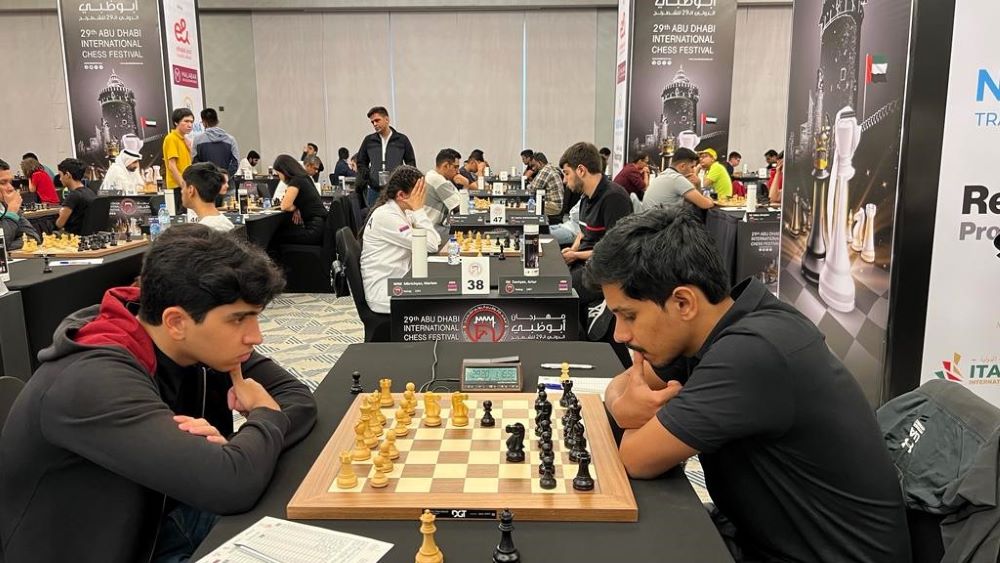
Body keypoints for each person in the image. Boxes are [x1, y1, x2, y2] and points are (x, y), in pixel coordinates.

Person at [586, 206, 910, 562]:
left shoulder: (752, 352)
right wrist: (623, 406)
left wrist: (628, 412)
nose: (620, 334)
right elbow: (621, 386)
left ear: (683, 302)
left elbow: (636, 458)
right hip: (762, 538)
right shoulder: (715, 325)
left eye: (628, 316)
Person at [0, 224, 318, 563]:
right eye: (239, 319)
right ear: (176, 322)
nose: (255, 337)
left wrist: (238, 450)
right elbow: (232, 485)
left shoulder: (197, 341)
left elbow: (298, 399)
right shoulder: (91, 380)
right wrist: (263, 419)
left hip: (168, 518)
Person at [559, 142, 632, 330]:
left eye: (566, 173)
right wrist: (573, 249)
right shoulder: (585, 197)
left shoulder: (614, 198)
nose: (565, 181)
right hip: (585, 264)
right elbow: (583, 232)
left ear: (581, 170)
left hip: (603, 271)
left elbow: (616, 252)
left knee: (558, 294)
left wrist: (576, 255)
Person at [360, 166, 441, 315]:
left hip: (398, 281)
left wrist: (417, 212)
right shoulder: (387, 216)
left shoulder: (403, 212)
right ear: (401, 195)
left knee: (440, 291)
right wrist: (419, 210)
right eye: (419, 192)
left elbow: (435, 240)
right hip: (385, 292)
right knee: (440, 303)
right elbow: (431, 245)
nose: (423, 197)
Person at [356, 106, 416, 207]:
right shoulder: (369, 140)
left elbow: (411, 163)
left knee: (396, 215)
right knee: (374, 215)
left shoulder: (402, 140)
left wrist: (404, 181)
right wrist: (369, 178)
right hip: (374, 190)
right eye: (372, 122)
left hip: (396, 190)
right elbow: (361, 162)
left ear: (387, 119)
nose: (375, 124)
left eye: (377, 120)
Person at [272, 154, 327, 245]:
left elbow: (285, 206)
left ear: (284, 171)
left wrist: (296, 208)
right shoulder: (305, 177)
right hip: (321, 227)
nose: (279, 178)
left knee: (276, 237)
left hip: (313, 231)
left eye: (278, 174)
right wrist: (297, 207)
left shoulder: (296, 180)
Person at [644, 148, 714, 210]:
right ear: (682, 166)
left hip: (649, 217)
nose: (693, 171)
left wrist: (697, 184)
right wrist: (711, 200)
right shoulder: (677, 178)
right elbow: (705, 204)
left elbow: (693, 201)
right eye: (692, 167)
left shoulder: (664, 174)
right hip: (662, 220)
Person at [0, 159, 42, 249]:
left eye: (10, 182)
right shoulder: (11, 208)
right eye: (3, 182)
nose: (11, 188)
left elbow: (33, 237)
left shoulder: (6, 206)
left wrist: (6, 246)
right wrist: (11, 213)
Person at [181, 163, 235, 232]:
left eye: (183, 186)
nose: (182, 191)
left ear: (191, 190)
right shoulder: (226, 224)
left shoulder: (204, 232)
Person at [422, 148, 464, 231]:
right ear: (446, 166)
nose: (458, 172)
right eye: (455, 167)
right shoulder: (437, 180)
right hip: (431, 228)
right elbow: (460, 206)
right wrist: (467, 184)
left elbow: (460, 200)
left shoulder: (434, 176)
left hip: (434, 225)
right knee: (465, 235)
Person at [163, 108, 195, 211]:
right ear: (176, 122)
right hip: (177, 187)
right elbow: (172, 165)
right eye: (186, 121)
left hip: (186, 185)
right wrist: (183, 185)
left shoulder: (185, 139)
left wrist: (190, 148)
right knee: (180, 216)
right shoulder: (171, 138)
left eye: (191, 122)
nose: (189, 125)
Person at [193, 108, 240, 176]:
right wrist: (226, 176)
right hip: (226, 181)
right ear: (217, 121)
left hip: (205, 181)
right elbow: (236, 162)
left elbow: (195, 163)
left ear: (204, 123)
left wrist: (205, 177)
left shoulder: (197, 140)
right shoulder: (231, 140)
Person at [55, 158, 96, 234]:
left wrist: (61, 213)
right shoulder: (90, 192)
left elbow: (59, 224)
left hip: (74, 237)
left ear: (67, 175)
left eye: (60, 175)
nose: (60, 179)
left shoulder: (73, 196)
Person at [528, 152, 564, 222]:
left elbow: (533, 188)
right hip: (555, 205)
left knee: (529, 210)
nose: (533, 168)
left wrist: (529, 185)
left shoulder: (546, 170)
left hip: (553, 207)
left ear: (540, 163)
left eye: (534, 165)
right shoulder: (550, 168)